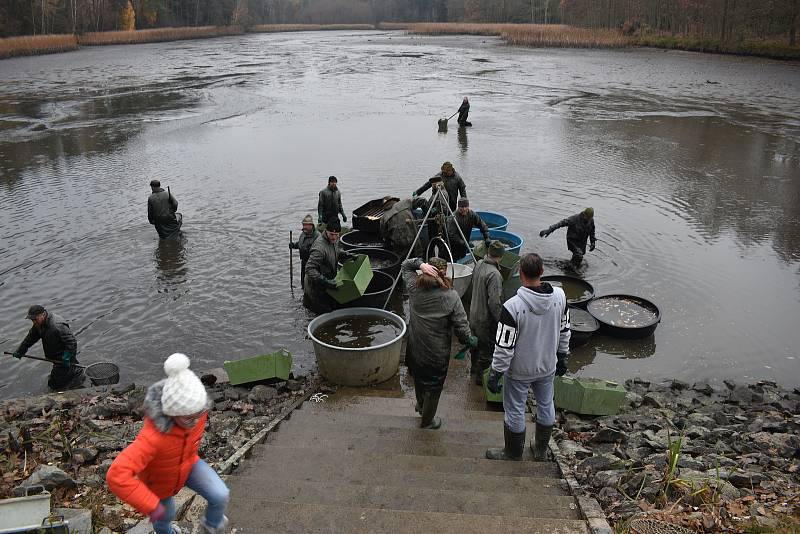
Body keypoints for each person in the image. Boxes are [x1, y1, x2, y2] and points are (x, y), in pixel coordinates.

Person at [106, 353, 229, 534]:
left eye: (199, 414)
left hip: (187, 465)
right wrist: (151, 505)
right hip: (159, 481)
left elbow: (193, 421)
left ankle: (210, 527)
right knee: (166, 514)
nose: (195, 422)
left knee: (220, 495)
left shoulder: (197, 411)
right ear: (172, 412)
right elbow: (116, 475)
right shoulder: (153, 438)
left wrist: (194, 416)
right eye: (189, 418)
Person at [484, 253, 570, 462]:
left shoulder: (512, 307)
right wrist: (562, 355)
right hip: (547, 365)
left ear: (521, 274)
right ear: (542, 272)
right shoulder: (560, 297)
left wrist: (496, 372)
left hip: (519, 371)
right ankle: (540, 450)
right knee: (546, 404)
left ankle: (512, 452)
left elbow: (504, 346)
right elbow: (565, 329)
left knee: (515, 408)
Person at [401, 257, 476, 429]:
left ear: (427, 270)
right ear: (443, 273)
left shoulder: (413, 286)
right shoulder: (450, 296)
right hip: (436, 354)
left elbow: (405, 265)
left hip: (415, 347)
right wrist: (469, 340)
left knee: (419, 378)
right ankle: (427, 421)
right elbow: (462, 328)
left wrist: (419, 264)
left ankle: (420, 405)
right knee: (433, 388)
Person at [10, 305, 84, 390]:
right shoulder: (39, 324)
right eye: (32, 320)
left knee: (54, 384)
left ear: (43, 314)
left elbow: (71, 342)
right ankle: (76, 374)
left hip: (64, 358)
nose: (34, 322)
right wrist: (20, 350)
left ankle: (76, 379)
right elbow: (30, 339)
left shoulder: (57, 325)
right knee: (62, 378)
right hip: (56, 358)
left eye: (35, 319)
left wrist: (67, 356)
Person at [468, 240, 505, 385]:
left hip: (473, 314)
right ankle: (480, 378)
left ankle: (473, 369)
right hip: (485, 320)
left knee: (475, 345)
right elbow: (494, 303)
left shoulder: (478, 264)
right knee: (487, 349)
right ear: (500, 256)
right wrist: (501, 321)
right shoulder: (494, 275)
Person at [303, 217, 356, 314]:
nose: (334, 237)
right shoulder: (319, 249)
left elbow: (334, 251)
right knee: (322, 312)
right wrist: (325, 281)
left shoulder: (333, 240)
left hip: (328, 281)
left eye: (336, 235)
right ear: (326, 231)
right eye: (332, 234)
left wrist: (345, 254)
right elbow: (309, 269)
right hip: (316, 287)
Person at [289, 214, 319, 284]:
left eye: (306, 225)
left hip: (313, 265)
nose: (304, 227)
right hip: (304, 262)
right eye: (303, 225)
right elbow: (301, 244)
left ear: (311, 225)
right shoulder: (303, 234)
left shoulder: (317, 237)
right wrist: (293, 245)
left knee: (311, 283)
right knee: (303, 281)